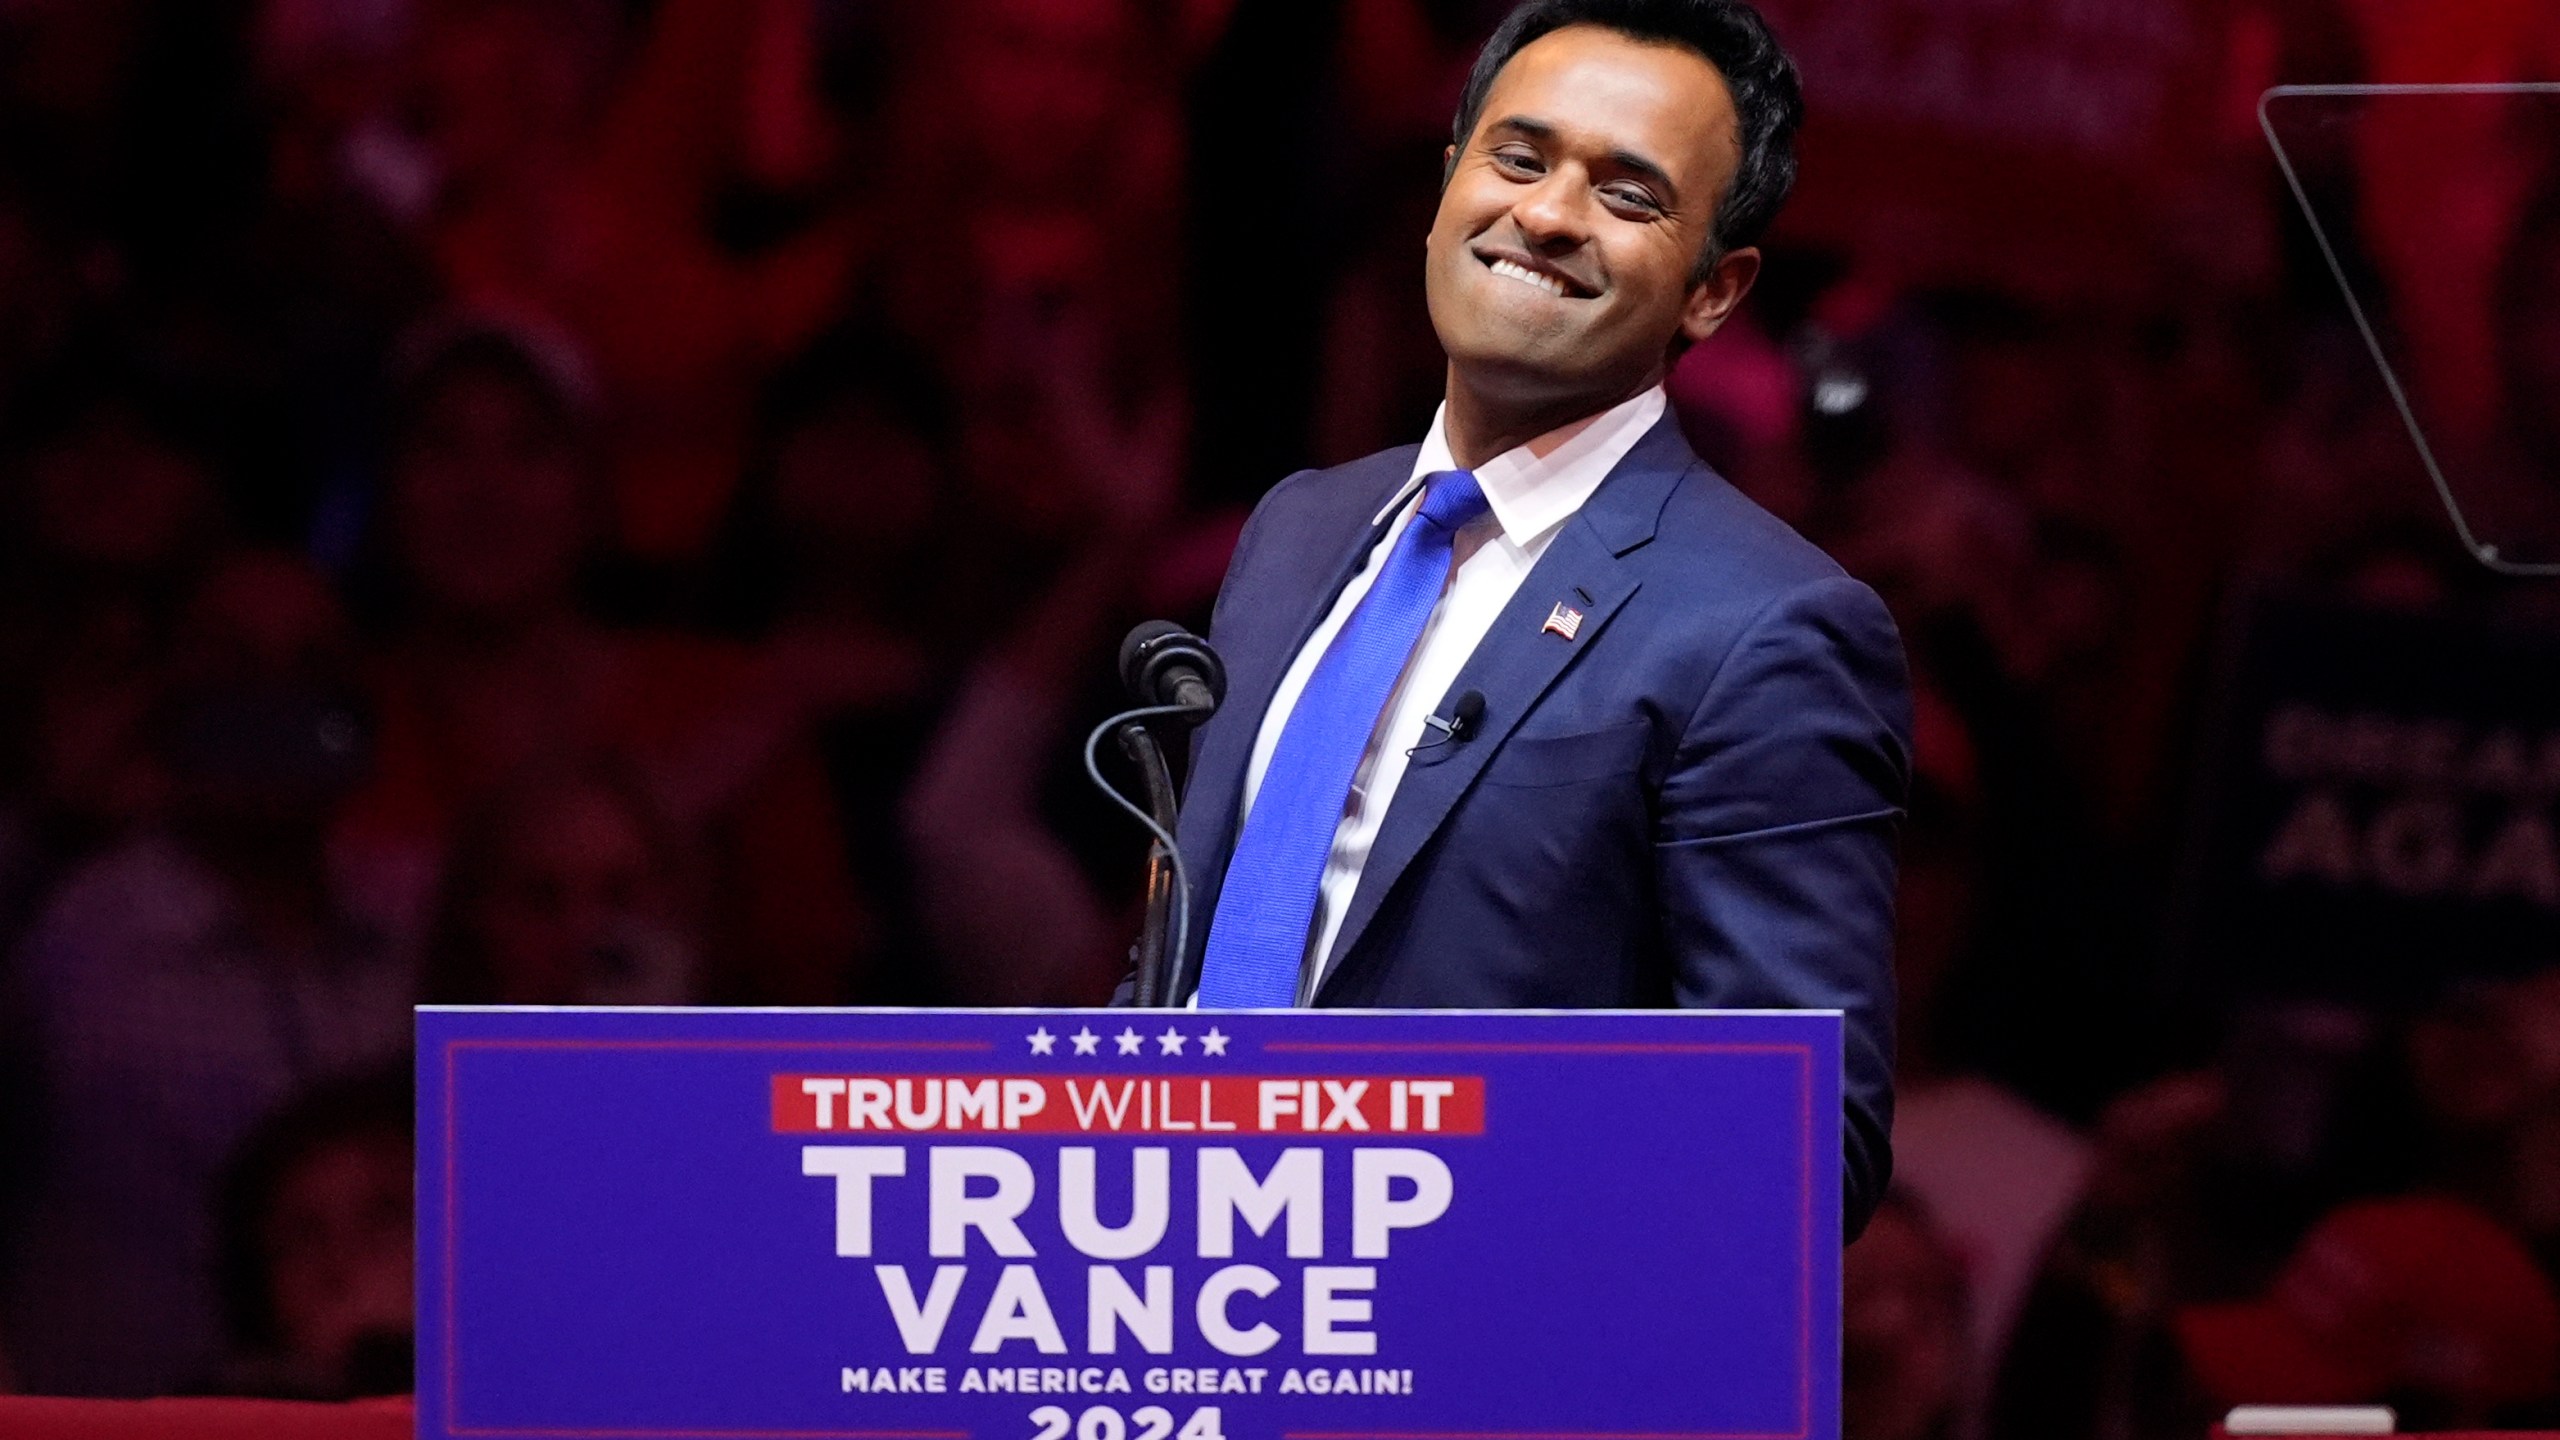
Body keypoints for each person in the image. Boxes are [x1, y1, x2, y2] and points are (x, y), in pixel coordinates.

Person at [1134, 0, 1910, 1235]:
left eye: (1629, 194)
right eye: (1518, 156)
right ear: (1446, 185)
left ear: (1714, 291)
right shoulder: (1296, 529)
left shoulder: (1771, 629)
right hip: (1172, 1315)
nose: (1546, 215)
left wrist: (1426, 1185)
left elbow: (1803, 1140)